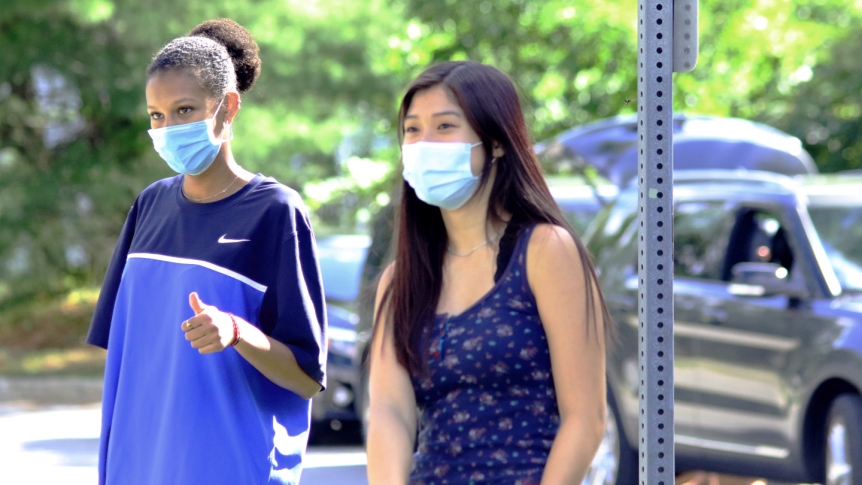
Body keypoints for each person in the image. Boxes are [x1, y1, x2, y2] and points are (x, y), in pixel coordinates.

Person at [86, 18, 326, 485]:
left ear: (227, 108)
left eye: (185, 110)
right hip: (138, 470)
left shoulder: (275, 212)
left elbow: (306, 377)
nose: (167, 128)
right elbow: (126, 361)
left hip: (235, 469)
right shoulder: (149, 206)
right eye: (157, 115)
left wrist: (236, 330)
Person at [366, 61, 611, 485]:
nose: (425, 144)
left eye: (445, 127)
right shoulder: (400, 279)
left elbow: (585, 419)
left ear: (496, 142)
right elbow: (390, 412)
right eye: (412, 130)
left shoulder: (545, 250)